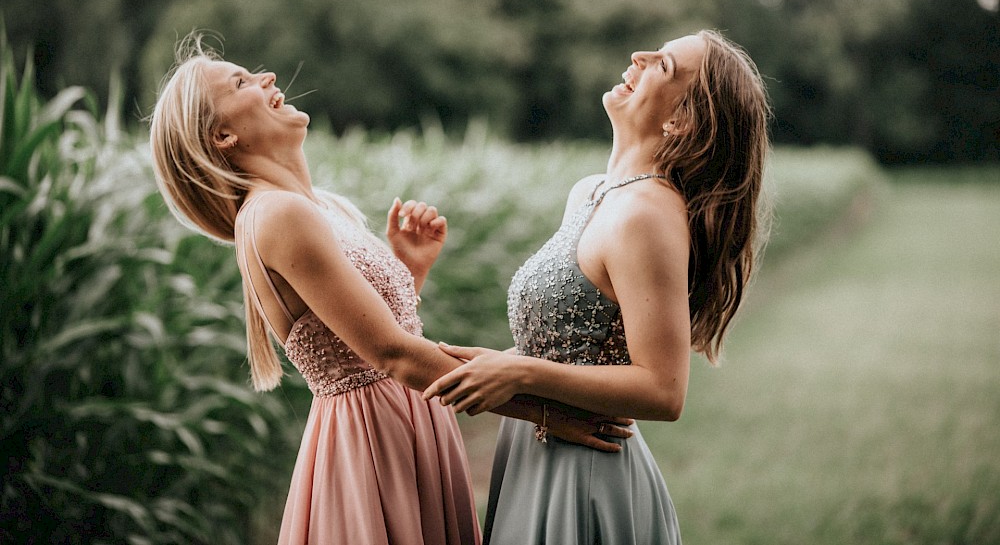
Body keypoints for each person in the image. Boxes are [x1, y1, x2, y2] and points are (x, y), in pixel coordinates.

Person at [147, 33, 632, 545]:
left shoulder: (321, 207)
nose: (267, 76)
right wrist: (543, 412)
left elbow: (356, 334)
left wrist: (407, 267)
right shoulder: (275, 214)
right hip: (372, 439)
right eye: (240, 81)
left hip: (406, 416)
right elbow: (391, 354)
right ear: (222, 136)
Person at [424, 30, 772, 544]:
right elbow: (577, 342)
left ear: (682, 120)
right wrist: (499, 363)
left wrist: (518, 371)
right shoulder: (591, 192)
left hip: (586, 472)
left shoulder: (648, 215)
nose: (640, 56)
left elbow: (663, 389)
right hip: (533, 448)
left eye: (664, 64)